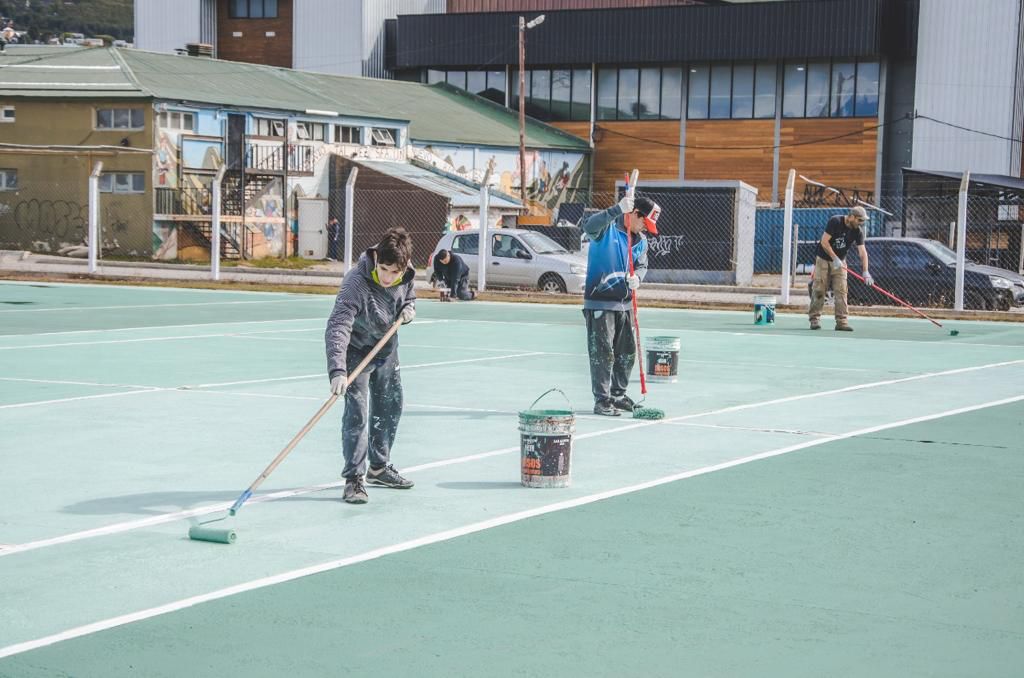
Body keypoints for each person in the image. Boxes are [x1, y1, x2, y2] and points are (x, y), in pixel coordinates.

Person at [325, 227, 417, 504]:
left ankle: (379, 467)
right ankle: (354, 479)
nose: (389, 278)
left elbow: (408, 295)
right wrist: (338, 370)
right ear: (376, 258)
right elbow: (338, 325)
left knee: (390, 406)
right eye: (384, 270)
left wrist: (409, 309)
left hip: (386, 347)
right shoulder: (355, 282)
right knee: (357, 414)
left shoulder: (406, 272)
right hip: (356, 352)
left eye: (395, 273)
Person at [581, 192, 661, 416]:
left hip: (625, 304)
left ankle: (618, 394)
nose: (646, 228)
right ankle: (602, 399)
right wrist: (616, 208)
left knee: (627, 352)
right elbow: (589, 226)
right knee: (602, 353)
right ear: (634, 214)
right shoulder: (605, 230)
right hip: (600, 302)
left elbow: (642, 265)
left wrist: (639, 279)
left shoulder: (641, 241)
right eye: (644, 221)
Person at [809, 205, 873, 332]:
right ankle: (814, 319)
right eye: (860, 220)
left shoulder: (857, 231)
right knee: (819, 289)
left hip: (840, 263)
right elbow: (824, 242)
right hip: (823, 259)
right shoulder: (835, 221)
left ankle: (842, 322)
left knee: (842, 291)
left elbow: (862, 252)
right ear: (852, 217)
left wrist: (865, 271)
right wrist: (834, 258)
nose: (862, 223)